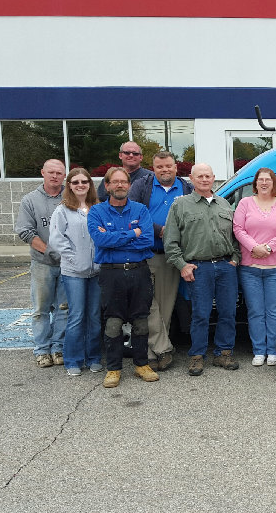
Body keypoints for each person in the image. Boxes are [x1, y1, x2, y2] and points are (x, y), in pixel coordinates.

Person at [164, 163, 242, 377]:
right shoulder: (180, 206)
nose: (205, 179)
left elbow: (236, 237)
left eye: (208, 175)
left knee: (228, 312)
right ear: (192, 178)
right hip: (199, 268)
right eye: (200, 176)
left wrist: (235, 259)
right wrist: (181, 265)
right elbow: (170, 241)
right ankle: (197, 356)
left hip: (226, 267)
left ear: (213, 177)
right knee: (200, 314)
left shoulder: (224, 204)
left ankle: (224, 352)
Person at [87, 167, 159, 388]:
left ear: (129, 185)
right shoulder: (96, 212)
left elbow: (147, 240)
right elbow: (100, 241)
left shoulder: (140, 210)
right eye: (115, 182)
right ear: (107, 186)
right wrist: (131, 234)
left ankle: (141, 365)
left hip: (139, 271)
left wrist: (115, 237)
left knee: (140, 321)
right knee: (113, 323)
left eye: (124, 182)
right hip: (111, 273)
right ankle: (113, 369)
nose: (120, 185)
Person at [128, 151, 193, 371]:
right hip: (145, 253)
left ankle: (155, 352)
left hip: (171, 257)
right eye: (159, 167)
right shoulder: (141, 186)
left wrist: (174, 234)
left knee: (165, 307)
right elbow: (132, 215)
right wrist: (160, 230)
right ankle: (159, 349)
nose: (164, 170)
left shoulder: (186, 188)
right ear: (153, 168)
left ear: (176, 167)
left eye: (168, 166)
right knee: (146, 305)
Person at [233, 167, 276, 367]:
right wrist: (254, 247)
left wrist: (268, 247)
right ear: (255, 183)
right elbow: (237, 228)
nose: (264, 183)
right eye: (260, 179)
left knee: (274, 311)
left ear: (274, 183)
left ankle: (273, 351)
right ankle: (259, 350)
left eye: (268, 179)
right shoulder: (244, 203)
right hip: (250, 267)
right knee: (255, 311)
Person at [49, 168, 104, 377]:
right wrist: (74, 258)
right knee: (77, 316)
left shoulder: (97, 208)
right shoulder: (63, 210)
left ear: (90, 184)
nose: (80, 185)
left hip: (97, 271)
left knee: (94, 316)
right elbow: (56, 239)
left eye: (84, 181)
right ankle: (73, 359)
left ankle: (94, 358)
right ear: (69, 186)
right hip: (74, 273)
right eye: (75, 182)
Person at [15, 159, 68, 368]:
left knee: (64, 308)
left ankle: (58, 348)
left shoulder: (70, 197)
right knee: (41, 309)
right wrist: (50, 252)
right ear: (43, 173)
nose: (55, 176)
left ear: (64, 176)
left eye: (59, 173)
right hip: (42, 264)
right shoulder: (30, 200)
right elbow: (25, 232)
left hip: (67, 265)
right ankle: (42, 349)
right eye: (51, 172)